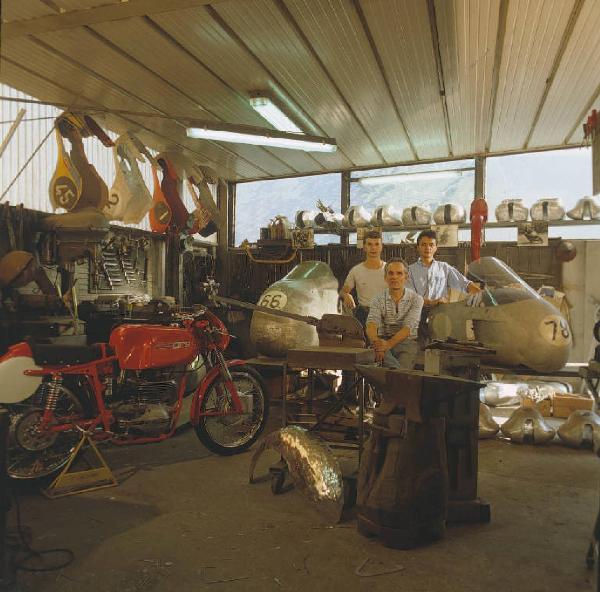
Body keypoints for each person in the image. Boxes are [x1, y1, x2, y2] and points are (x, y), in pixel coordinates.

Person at [365, 258, 423, 370]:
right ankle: (398, 378)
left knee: (392, 369)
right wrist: (377, 344)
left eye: (399, 273)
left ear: (406, 277)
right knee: (396, 373)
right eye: (390, 273)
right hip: (381, 340)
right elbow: (371, 324)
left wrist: (387, 346)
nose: (394, 277)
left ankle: (396, 377)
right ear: (385, 277)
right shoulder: (377, 299)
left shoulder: (416, 299)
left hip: (407, 343)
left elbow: (408, 328)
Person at [340, 230, 387, 326]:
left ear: (381, 247)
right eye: (369, 244)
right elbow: (343, 291)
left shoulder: (390, 270)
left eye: (377, 244)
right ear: (364, 247)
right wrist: (346, 295)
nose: (373, 248)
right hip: (363, 315)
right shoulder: (356, 270)